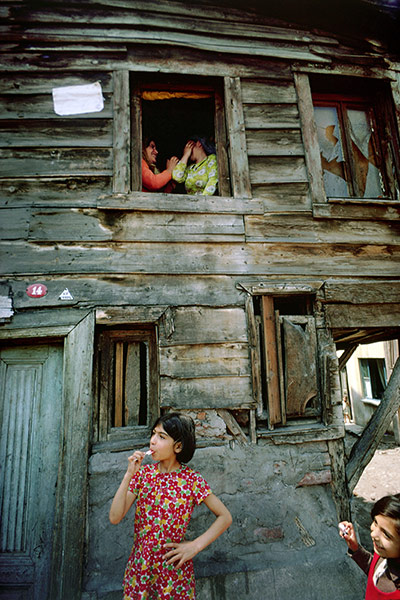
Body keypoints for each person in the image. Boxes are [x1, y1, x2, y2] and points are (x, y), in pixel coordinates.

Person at [109, 412, 232, 599]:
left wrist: (195, 546)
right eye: (153, 434)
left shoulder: (192, 480)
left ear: (178, 446)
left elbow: (225, 517)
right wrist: (128, 475)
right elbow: (115, 517)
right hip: (141, 569)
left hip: (174, 572)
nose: (152, 441)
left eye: (161, 437)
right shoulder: (143, 475)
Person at [339, 494, 400, 598]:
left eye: (386, 534)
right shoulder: (384, 554)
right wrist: (355, 548)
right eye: (375, 523)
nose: (373, 534)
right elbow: (374, 568)